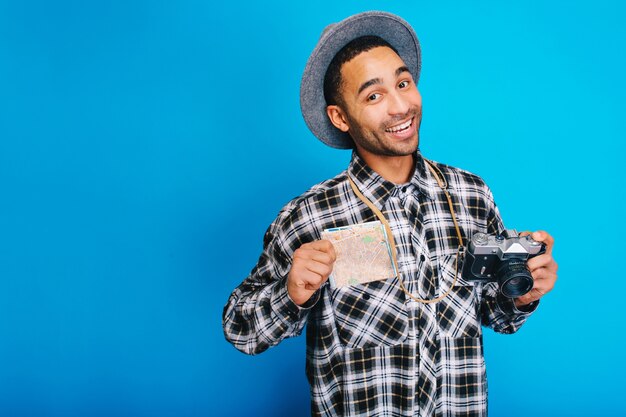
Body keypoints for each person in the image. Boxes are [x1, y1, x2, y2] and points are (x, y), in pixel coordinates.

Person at [222, 11, 558, 417]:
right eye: (374, 95)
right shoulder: (310, 215)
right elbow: (240, 329)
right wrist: (290, 294)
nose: (401, 106)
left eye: (403, 83)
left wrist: (524, 294)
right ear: (340, 117)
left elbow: (496, 315)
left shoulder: (471, 195)